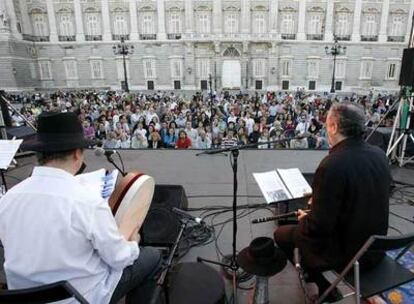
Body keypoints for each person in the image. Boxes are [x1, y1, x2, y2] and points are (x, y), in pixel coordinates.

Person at [0, 112, 161, 304]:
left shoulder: (8, 198)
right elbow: (118, 258)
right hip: (80, 298)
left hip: (23, 298)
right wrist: (134, 244)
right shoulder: (88, 202)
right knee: (152, 257)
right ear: (77, 153)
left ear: (39, 154)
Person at [274, 102, 391, 302]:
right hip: (376, 248)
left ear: (334, 127)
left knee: (282, 234)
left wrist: (306, 218)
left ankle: (324, 287)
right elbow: (365, 194)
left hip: (349, 255)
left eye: (327, 125)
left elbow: (318, 228)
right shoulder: (379, 155)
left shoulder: (332, 164)